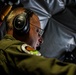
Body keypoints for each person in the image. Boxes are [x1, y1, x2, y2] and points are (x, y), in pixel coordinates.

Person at [0, 7, 76, 75]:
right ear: (21, 24)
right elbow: (46, 69)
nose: (41, 40)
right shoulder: (9, 47)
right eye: (38, 32)